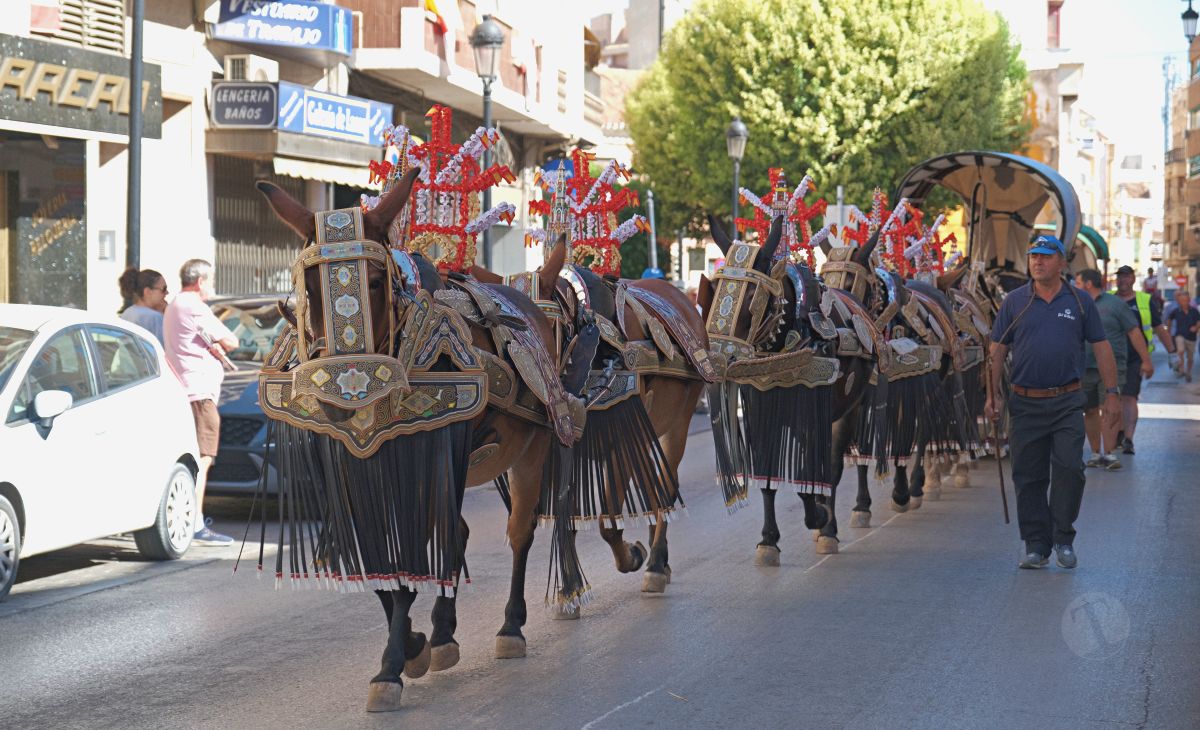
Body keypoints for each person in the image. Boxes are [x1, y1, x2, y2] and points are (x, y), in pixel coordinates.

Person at [985, 236, 1119, 570]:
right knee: (1028, 476)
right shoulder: (1015, 302)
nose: (1037, 262)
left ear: (1061, 262)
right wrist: (992, 394)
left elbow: (1101, 346)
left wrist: (1113, 394)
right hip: (1025, 402)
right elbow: (997, 350)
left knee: (1070, 469)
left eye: (1045, 256)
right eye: (1033, 256)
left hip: (1067, 401)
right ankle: (1036, 545)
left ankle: (1063, 538)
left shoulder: (1079, 301)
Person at [163, 259, 238, 545]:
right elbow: (231, 341)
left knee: (194, 460)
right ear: (199, 281)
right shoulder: (194, 305)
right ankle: (195, 523)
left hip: (188, 390)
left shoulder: (175, 305)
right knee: (202, 460)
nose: (212, 286)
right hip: (199, 392)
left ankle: (188, 520)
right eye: (211, 280)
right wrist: (216, 345)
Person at [1074, 269, 1151, 470]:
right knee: (1089, 410)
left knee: (1110, 407)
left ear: (1088, 284)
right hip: (1085, 366)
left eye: (1078, 282)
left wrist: (1146, 360)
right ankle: (1095, 452)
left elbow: (1134, 332)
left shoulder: (1115, 305)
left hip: (1114, 366)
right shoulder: (1077, 304)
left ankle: (1108, 453)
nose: (1075, 285)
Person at [1111, 265, 1174, 454]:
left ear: (1132, 279)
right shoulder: (1109, 299)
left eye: (1126, 277)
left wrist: (1172, 351)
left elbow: (1159, 327)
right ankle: (1118, 432)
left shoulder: (1145, 300)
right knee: (1113, 396)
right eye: (1120, 277)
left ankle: (1128, 438)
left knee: (1129, 396)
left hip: (1135, 357)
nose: (1122, 280)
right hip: (1111, 357)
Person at [117, 267, 168, 343]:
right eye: (163, 289)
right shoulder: (154, 317)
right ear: (147, 292)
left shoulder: (127, 313)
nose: (167, 292)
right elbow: (164, 349)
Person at [1167, 290, 1199, 381]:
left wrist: (1196, 328)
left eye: (1185, 300)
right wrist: (1168, 331)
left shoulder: (1194, 311)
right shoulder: (1176, 311)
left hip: (1191, 337)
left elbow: (1199, 321)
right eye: (1181, 300)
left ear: (1189, 300)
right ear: (1179, 301)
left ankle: (1188, 372)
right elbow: (1169, 319)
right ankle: (1181, 369)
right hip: (1179, 334)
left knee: (1190, 358)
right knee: (1180, 350)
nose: (1183, 302)